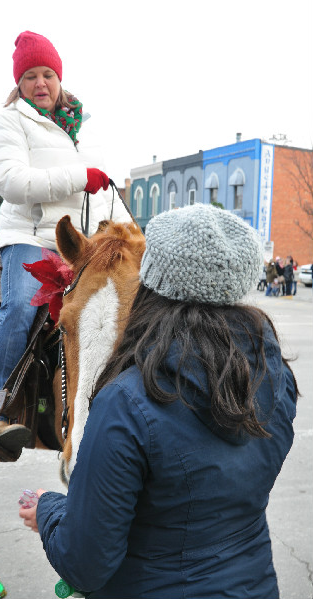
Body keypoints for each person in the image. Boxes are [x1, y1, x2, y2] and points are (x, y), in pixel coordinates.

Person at [19, 204, 298, 599]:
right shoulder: (276, 377)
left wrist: (50, 511)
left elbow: (86, 562)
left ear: (152, 283)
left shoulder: (125, 401)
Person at [0, 31, 131, 460]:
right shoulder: (8, 122)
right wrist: (79, 177)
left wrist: (129, 235)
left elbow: (105, 191)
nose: (40, 83)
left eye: (47, 74)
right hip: (29, 237)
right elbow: (12, 182)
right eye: (30, 76)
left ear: (59, 78)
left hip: (81, 242)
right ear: (19, 84)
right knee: (23, 305)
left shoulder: (84, 126)